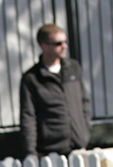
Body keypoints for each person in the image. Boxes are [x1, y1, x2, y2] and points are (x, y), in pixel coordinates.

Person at [19, 23, 92, 158]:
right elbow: (28, 116)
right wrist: (30, 151)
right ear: (44, 46)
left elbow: (84, 102)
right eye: (58, 43)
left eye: (65, 42)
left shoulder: (73, 68)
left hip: (78, 144)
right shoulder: (32, 78)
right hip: (51, 150)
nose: (64, 46)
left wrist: (85, 130)